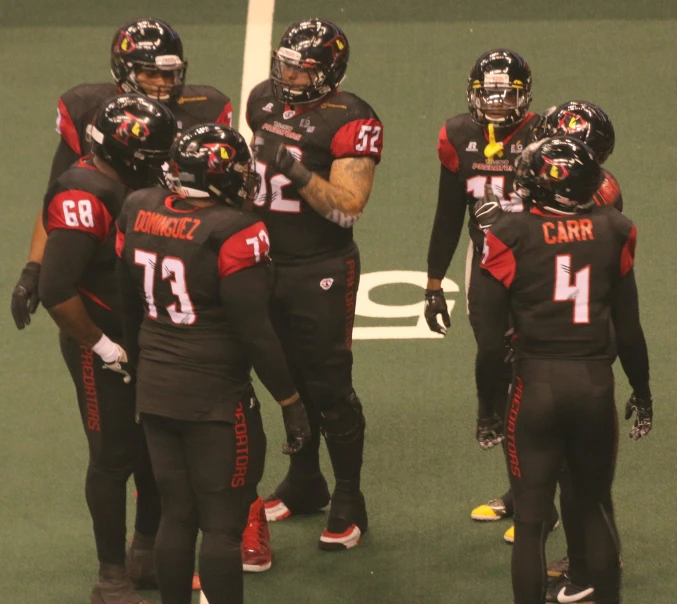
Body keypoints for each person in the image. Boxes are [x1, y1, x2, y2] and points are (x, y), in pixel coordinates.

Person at [115, 123, 311, 604]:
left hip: (156, 386)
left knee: (177, 516)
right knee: (222, 527)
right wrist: (289, 399)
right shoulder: (235, 230)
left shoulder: (139, 207)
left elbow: (126, 304)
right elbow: (256, 332)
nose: (245, 178)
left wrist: (142, 370)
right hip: (215, 399)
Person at [475, 136, 653, 604]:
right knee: (593, 505)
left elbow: (490, 342)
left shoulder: (508, 233)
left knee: (531, 521)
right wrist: (644, 390)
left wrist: (486, 407)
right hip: (595, 385)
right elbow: (630, 330)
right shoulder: (616, 228)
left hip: (534, 388)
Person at [246, 17, 384, 550]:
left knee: (329, 387)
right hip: (263, 263)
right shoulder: (263, 99)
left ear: (329, 73)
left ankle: (350, 498)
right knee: (284, 378)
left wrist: (296, 170)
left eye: (302, 70)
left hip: (320, 268)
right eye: (285, 65)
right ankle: (306, 480)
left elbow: (349, 209)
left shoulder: (352, 118)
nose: (289, 77)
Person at [38, 94, 177, 604]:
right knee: (113, 455)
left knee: (155, 450)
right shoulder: (84, 194)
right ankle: (111, 578)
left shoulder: (124, 180)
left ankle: (145, 552)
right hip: (101, 343)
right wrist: (102, 347)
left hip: (145, 336)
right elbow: (57, 291)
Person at [11, 17, 233, 331]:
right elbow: (59, 201)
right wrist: (33, 268)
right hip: (112, 258)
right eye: (151, 73)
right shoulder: (89, 109)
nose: (163, 83)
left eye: (169, 74)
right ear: (123, 71)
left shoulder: (206, 110)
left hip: (179, 253)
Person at [423, 49, 549, 543]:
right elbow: (448, 212)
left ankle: (542, 504)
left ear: (525, 96)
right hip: (487, 271)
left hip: (539, 274)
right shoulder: (458, 135)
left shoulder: (547, 134)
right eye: (488, 97)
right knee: (499, 370)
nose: (497, 107)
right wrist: (434, 283)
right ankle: (521, 490)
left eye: (507, 97)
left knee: (534, 383)